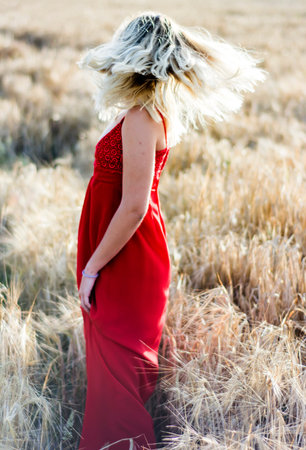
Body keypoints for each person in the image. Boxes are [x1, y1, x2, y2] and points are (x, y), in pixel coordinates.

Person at [76, 10, 267, 450]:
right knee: (113, 377)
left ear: (135, 53)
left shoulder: (143, 117)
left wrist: (92, 268)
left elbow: (134, 207)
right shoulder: (140, 111)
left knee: (117, 380)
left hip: (125, 258)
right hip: (118, 251)